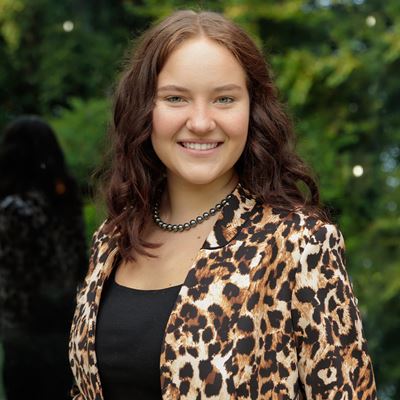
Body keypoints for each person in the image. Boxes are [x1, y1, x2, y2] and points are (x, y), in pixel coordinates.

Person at [69, 10, 377, 400]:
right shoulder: (113, 239)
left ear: (253, 109)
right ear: (144, 108)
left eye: (224, 99)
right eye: (176, 98)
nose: (200, 122)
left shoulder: (299, 243)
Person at [0, 116, 87, 399]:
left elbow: (16, 276)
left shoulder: (13, 208)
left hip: (26, 329)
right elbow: (79, 257)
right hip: (68, 318)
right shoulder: (66, 199)